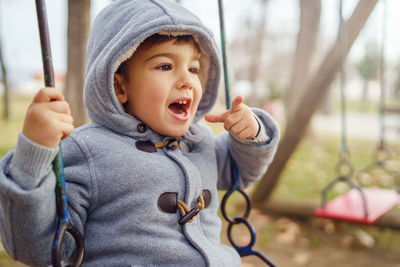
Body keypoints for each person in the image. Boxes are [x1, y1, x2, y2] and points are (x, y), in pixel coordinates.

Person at [0, 0, 280, 266]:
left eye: (193, 68)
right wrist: (33, 155)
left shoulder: (200, 141)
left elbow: (240, 171)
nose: (186, 80)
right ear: (119, 87)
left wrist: (252, 134)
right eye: (165, 66)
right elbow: (38, 248)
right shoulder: (89, 151)